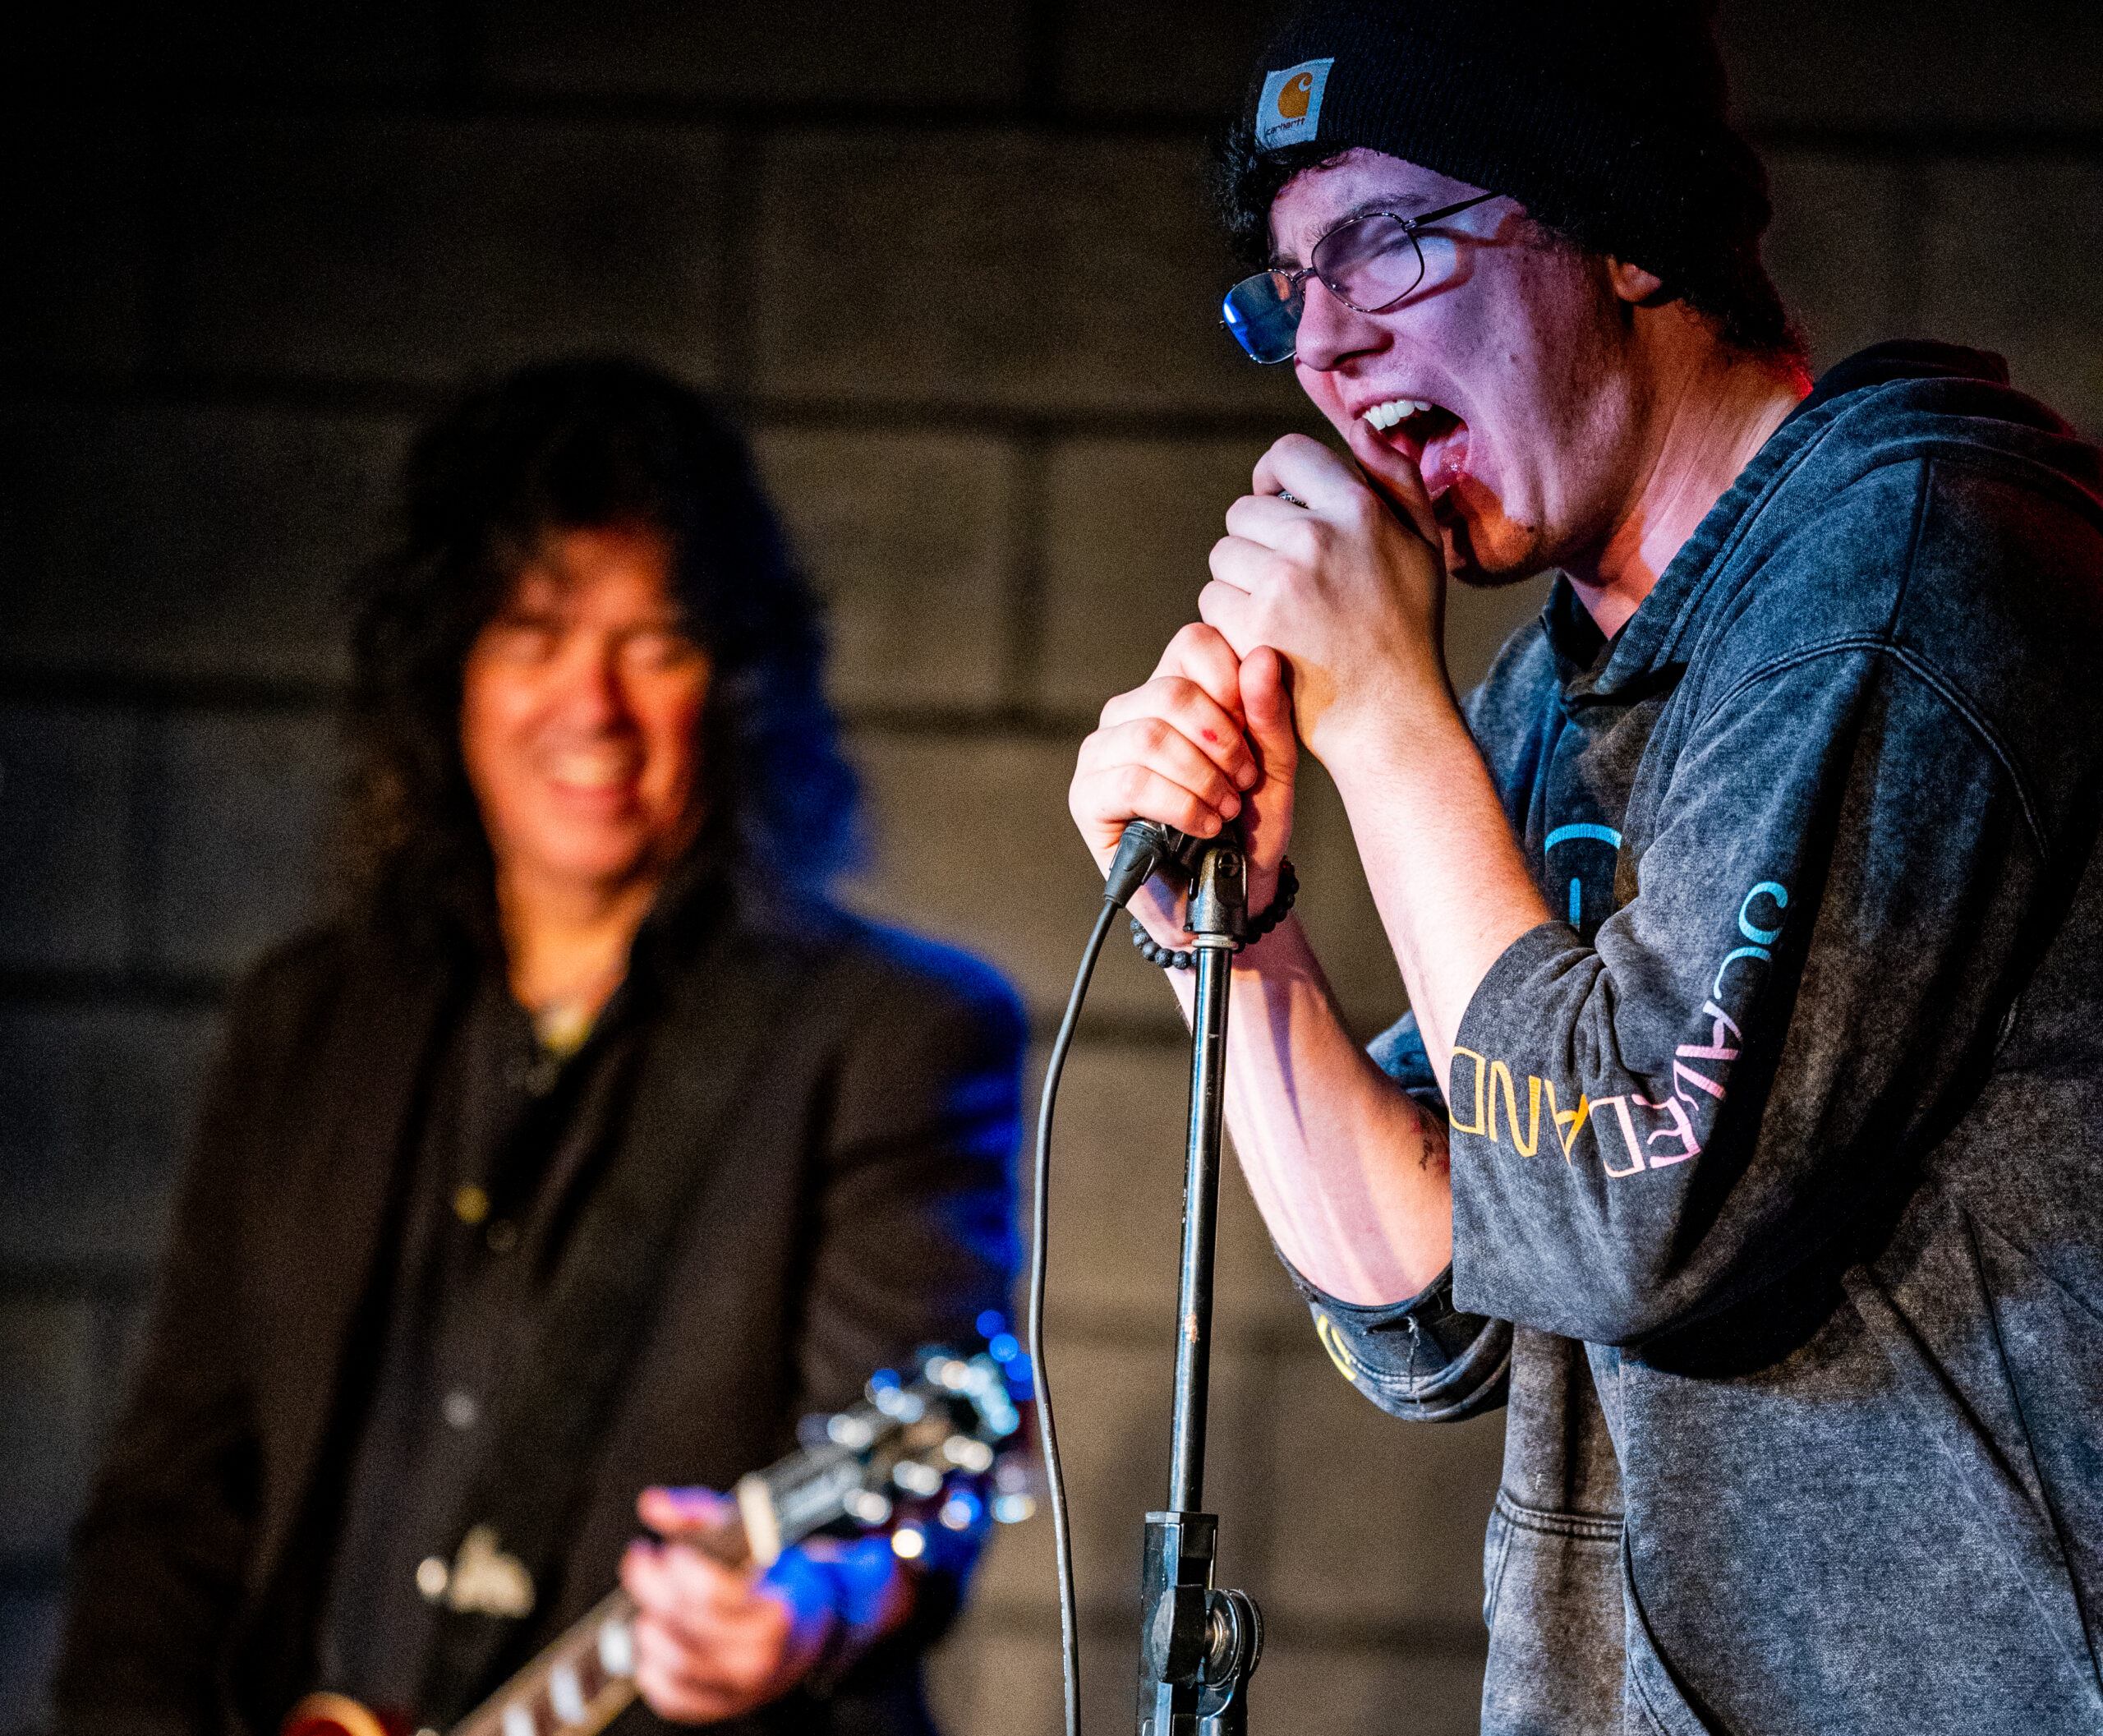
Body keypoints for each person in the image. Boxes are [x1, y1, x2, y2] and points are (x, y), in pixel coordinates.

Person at [1070, 2, 2103, 1731]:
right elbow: (1442, 1310)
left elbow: (1626, 1207)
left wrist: (1387, 726)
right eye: (1285, 289)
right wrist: (1232, 945)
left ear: (1619, 227)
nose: (1321, 349)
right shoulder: (1555, 688)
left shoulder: (1903, 577)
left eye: (1386, 247)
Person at [56, 357, 1024, 1736]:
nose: (594, 705)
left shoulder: (892, 1035)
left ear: (734, 688)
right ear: (446, 671)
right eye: (531, 630)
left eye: (657, 642)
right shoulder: (308, 1017)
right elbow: (172, 1511)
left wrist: (807, 1609)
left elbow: (900, 1485)